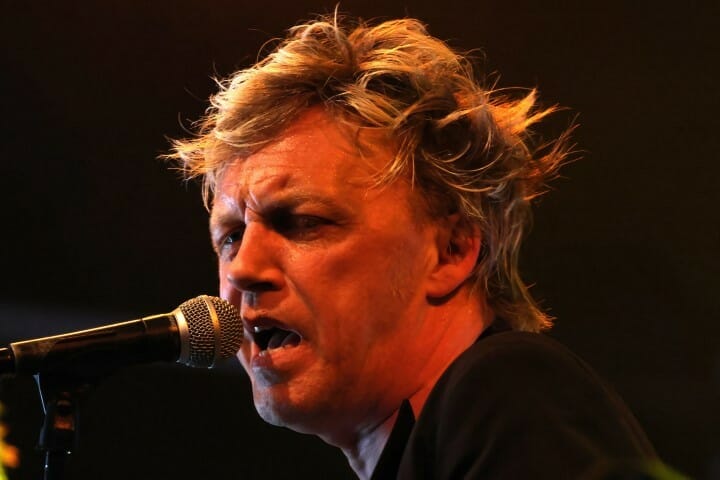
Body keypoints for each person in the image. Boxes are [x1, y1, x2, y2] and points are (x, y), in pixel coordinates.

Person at [167, 14, 657, 479]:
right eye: (231, 236)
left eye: (303, 222)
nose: (243, 269)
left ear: (450, 251)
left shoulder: (509, 387)